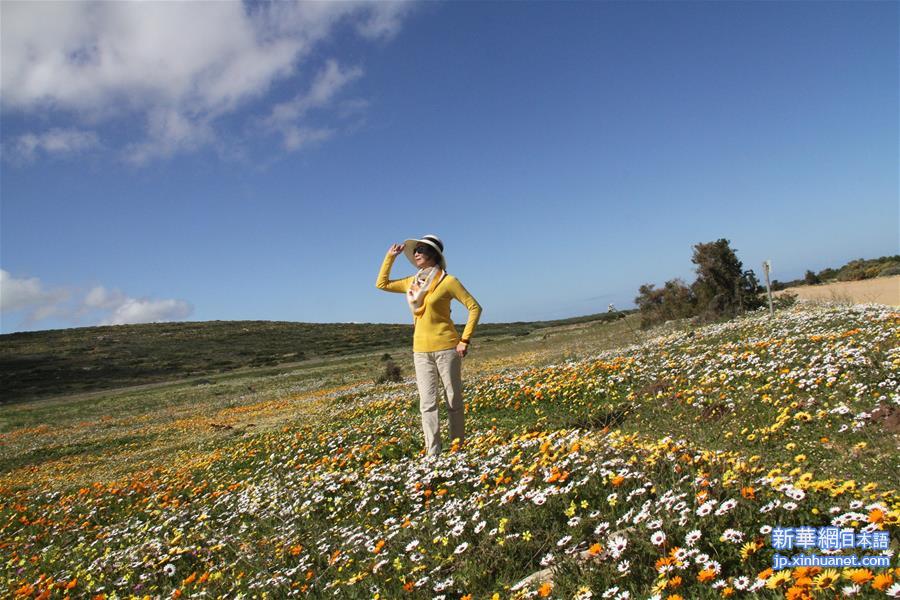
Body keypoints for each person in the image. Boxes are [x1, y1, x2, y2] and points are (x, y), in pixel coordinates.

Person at [375, 234, 482, 456]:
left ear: (433, 254)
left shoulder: (448, 281)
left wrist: (464, 340)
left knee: (453, 400)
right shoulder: (411, 284)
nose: (416, 253)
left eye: (421, 250)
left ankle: (457, 449)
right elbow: (381, 284)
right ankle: (433, 454)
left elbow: (475, 308)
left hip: (447, 348)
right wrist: (390, 257)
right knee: (427, 403)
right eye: (415, 250)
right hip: (420, 351)